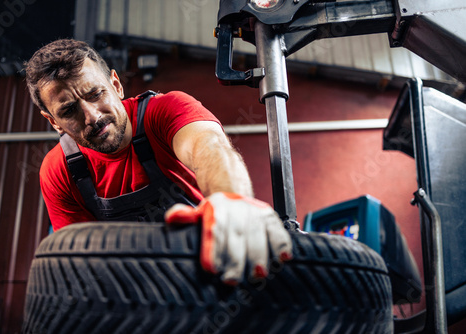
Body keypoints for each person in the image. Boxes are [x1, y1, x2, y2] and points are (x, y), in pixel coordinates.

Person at [25, 39, 292, 285]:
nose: (92, 116)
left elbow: (209, 148)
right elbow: (81, 261)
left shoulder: (165, 110)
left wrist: (231, 199)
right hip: (136, 290)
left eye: (96, 94)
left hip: (213, 269)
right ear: (53, 122)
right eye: (69, 110)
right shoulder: (59, 169)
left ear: (116, 86)